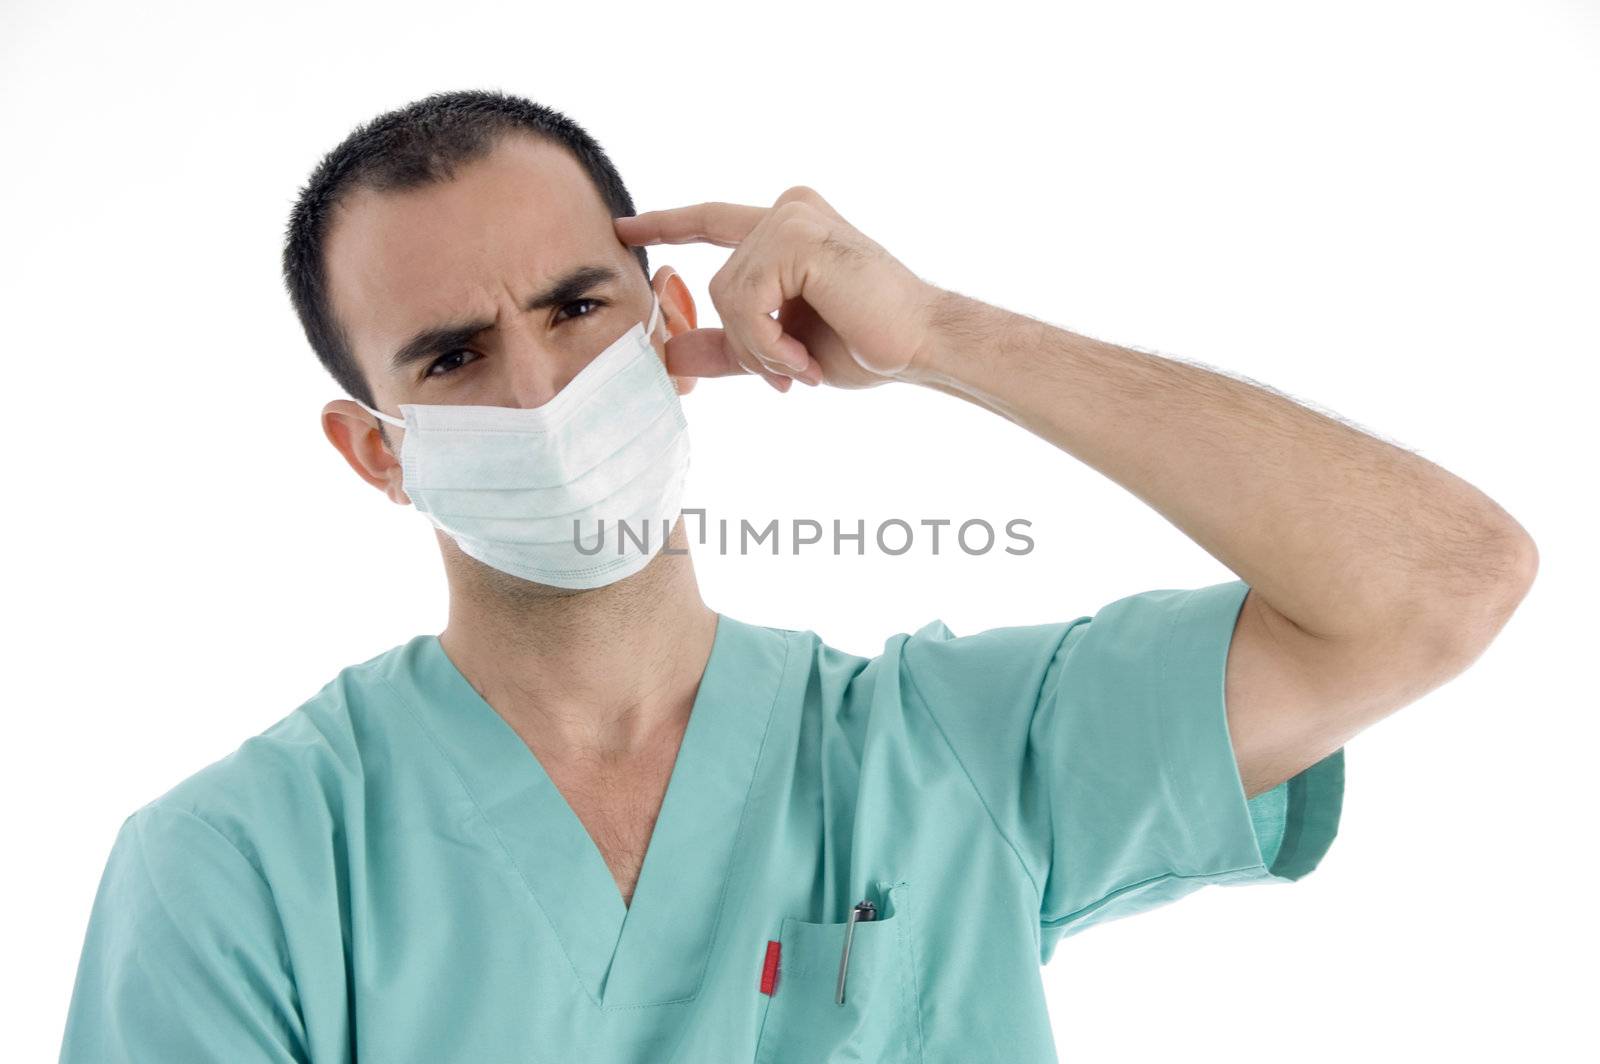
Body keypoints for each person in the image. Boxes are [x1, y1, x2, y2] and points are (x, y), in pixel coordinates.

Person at [58, 89, 1536, 1064]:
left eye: (580, 309)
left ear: (671, 321)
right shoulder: (234, 870)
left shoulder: (948, 756)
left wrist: (943, 335)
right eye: (452, 357)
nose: (541, 391)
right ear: (373, 452)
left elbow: (1440, 584)